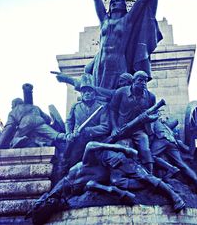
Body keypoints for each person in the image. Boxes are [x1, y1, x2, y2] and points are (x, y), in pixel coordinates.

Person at [28, 141, 185, 224]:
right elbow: (90, 186)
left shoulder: (77, 171)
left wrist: (123, 150)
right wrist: (113, 190)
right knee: (124, 183)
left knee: (144, 178)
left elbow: (91, 146)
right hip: (112, 176)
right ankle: (164, 180)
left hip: (111, 158)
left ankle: (174, 196)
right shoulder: (71, 192)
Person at [85, 0, 163, 89]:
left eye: (118, 0)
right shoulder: (104, 20)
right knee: (98, 93)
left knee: (117, 94)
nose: (114, 2)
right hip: (101, 63)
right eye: (113, 0)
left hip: (118, 62)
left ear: (124, 6)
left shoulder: (128, 20)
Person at [62, 74, 111, 171]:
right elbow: (69, 121)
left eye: (90, 91)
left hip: (96, 140)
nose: (87, 93)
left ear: (94, 92)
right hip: (78, 140)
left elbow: (105, 127)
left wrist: (89, 130)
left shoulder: (101, 107)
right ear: (81, 94)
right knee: (71, 163)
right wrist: (68, 133)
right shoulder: (76, 106)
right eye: (84, 91)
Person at [110, 71, 156, 173]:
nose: (143, 83)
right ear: (133, 81)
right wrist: (114, 128)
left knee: (145, 149)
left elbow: (155, 114)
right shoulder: (121, 92)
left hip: (138, 131)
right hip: (121, 130)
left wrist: (149, 118)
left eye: (145, 81)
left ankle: (151, 174)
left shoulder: (150, 97)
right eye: (140, 80)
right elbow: (112, 110)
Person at [0, 84, 66, 149]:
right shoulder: (35, 107)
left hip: (25, 123)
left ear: (15, 104)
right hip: (39, 121)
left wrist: (0, 143)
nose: (11, 107)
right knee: (53, 134)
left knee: (13, 140)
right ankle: (64, 137)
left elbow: (9, 127)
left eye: (12, 105)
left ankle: (18, 139)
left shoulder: (14, 110)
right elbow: (47, 118)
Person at [150, 119, 197, 194]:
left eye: (167, 119)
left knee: (150, 155)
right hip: (172, 141)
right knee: (181, 164)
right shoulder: (166, 127)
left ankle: (171, 168)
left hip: (162, 138)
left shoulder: (154, 120)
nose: (166, 119)